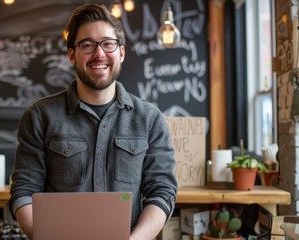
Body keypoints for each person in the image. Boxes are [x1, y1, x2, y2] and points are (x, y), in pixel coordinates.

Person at [9, 3, 178, 240]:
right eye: (87, 45)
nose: (99, 54)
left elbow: (162, 191)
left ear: (121, 52)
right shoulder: (40, 116)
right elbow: (24, 192)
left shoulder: (150, 118)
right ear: (72, 54)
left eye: (108, 44)